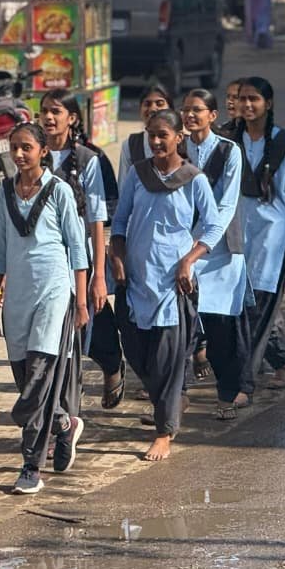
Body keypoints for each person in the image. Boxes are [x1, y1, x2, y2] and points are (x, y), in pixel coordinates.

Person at [110, 110, 222, 461]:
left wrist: (189, 260)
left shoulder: (194, 179)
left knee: (168, 362)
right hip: (135, 280)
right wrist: (116, 257)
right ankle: (171, 405)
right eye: (151, 135)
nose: (156, 142)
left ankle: (164, 431)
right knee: (138, 356)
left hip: (173, 286)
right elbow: (120, 221)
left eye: (163, 135)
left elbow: (214, 226)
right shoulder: (137, 175)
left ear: (179, 137)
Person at [0, 122, 88, 495]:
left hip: (54, 292)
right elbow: (0, 250)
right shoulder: (5, 190)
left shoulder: (59, 190)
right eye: (14, 147)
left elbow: (77, 251)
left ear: (42, 151)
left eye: (26, 147)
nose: (19, 154)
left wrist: (80, 302)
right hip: (16, 298)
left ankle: (31, 465)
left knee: (38, 379)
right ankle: (63, 424)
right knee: (24, 375)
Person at [40, 90, 118, 415]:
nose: (48, 117)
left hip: (79, 260)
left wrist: (99, 275)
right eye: (43, 111)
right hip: (43, 261)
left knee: (94, 323)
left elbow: (97, 221)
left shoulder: (88, 159)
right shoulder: (33, 154)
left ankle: (113, 365)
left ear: (72, 118)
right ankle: (60, 407)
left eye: (56, 111)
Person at [226, 78, 285, 388]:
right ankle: (281, 361)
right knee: (243, 303)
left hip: (272, 234)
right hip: (236, 232)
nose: (247, 105)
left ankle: (242, 375)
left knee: (259, 304)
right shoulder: (229, 139)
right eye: (242, 99)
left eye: (253, 99)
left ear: (267, 104)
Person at [181, 90, 251, 421]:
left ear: (213, 115)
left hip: (221, 250)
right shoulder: (177, 150)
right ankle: (173, 398)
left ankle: (228, 392)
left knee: (221, 323)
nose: (190, 116)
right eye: (186, 111)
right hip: (183, 250)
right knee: (181, 324)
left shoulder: (229, 151)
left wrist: (203, 244)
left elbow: (226, 205)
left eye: (197, 110)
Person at [116, 82, 176, 181]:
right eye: (147, 104)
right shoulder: (130, 145)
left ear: (171, 109)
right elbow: (124, 188)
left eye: (159, 103)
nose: (152, 108)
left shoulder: (184, 143)